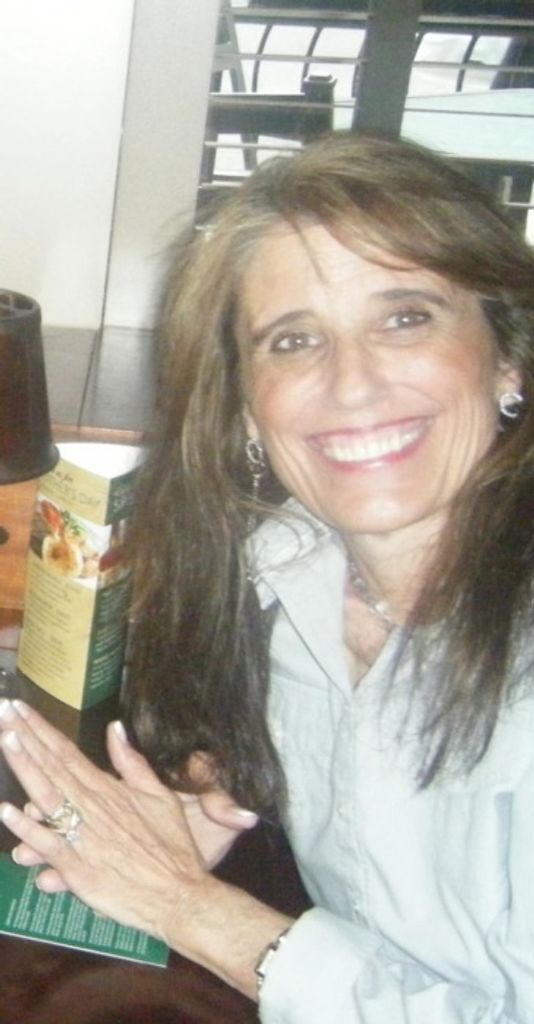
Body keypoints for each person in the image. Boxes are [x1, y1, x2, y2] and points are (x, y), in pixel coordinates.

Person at [1, 131, 534, 1022]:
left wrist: (193, 909)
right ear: (247, 407)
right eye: (293, 340)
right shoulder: (290, 573)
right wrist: (222, 799)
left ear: (508, 359)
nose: (353, 383)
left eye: (406, 317)